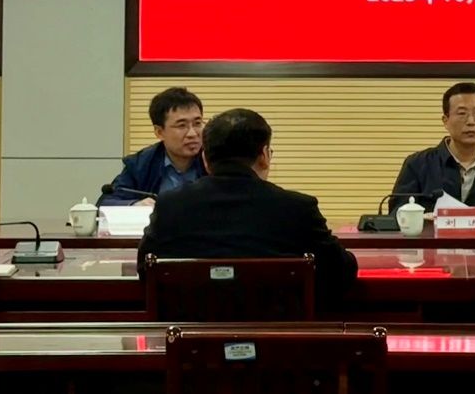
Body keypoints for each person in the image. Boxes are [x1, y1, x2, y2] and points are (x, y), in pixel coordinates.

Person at [138, 108, 357, 306]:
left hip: (188, 335)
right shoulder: (298, 208)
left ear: (205, 158)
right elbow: (341, 273)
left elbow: (146, 271)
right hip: (279, 334)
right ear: (264, 155)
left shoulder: (170, 205)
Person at [389, 82, 475, 218]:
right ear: (445, 120)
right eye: (462, 113)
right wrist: (421, 219)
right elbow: (396, 215)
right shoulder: (417, 164)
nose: (471, 121)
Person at [99, 87, 206, 206]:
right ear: (159, 132)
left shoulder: (214, 158)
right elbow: (106, 202)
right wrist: (135, 205)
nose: (192, 133)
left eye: (197, 123)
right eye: (182, 125)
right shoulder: (142, 164)